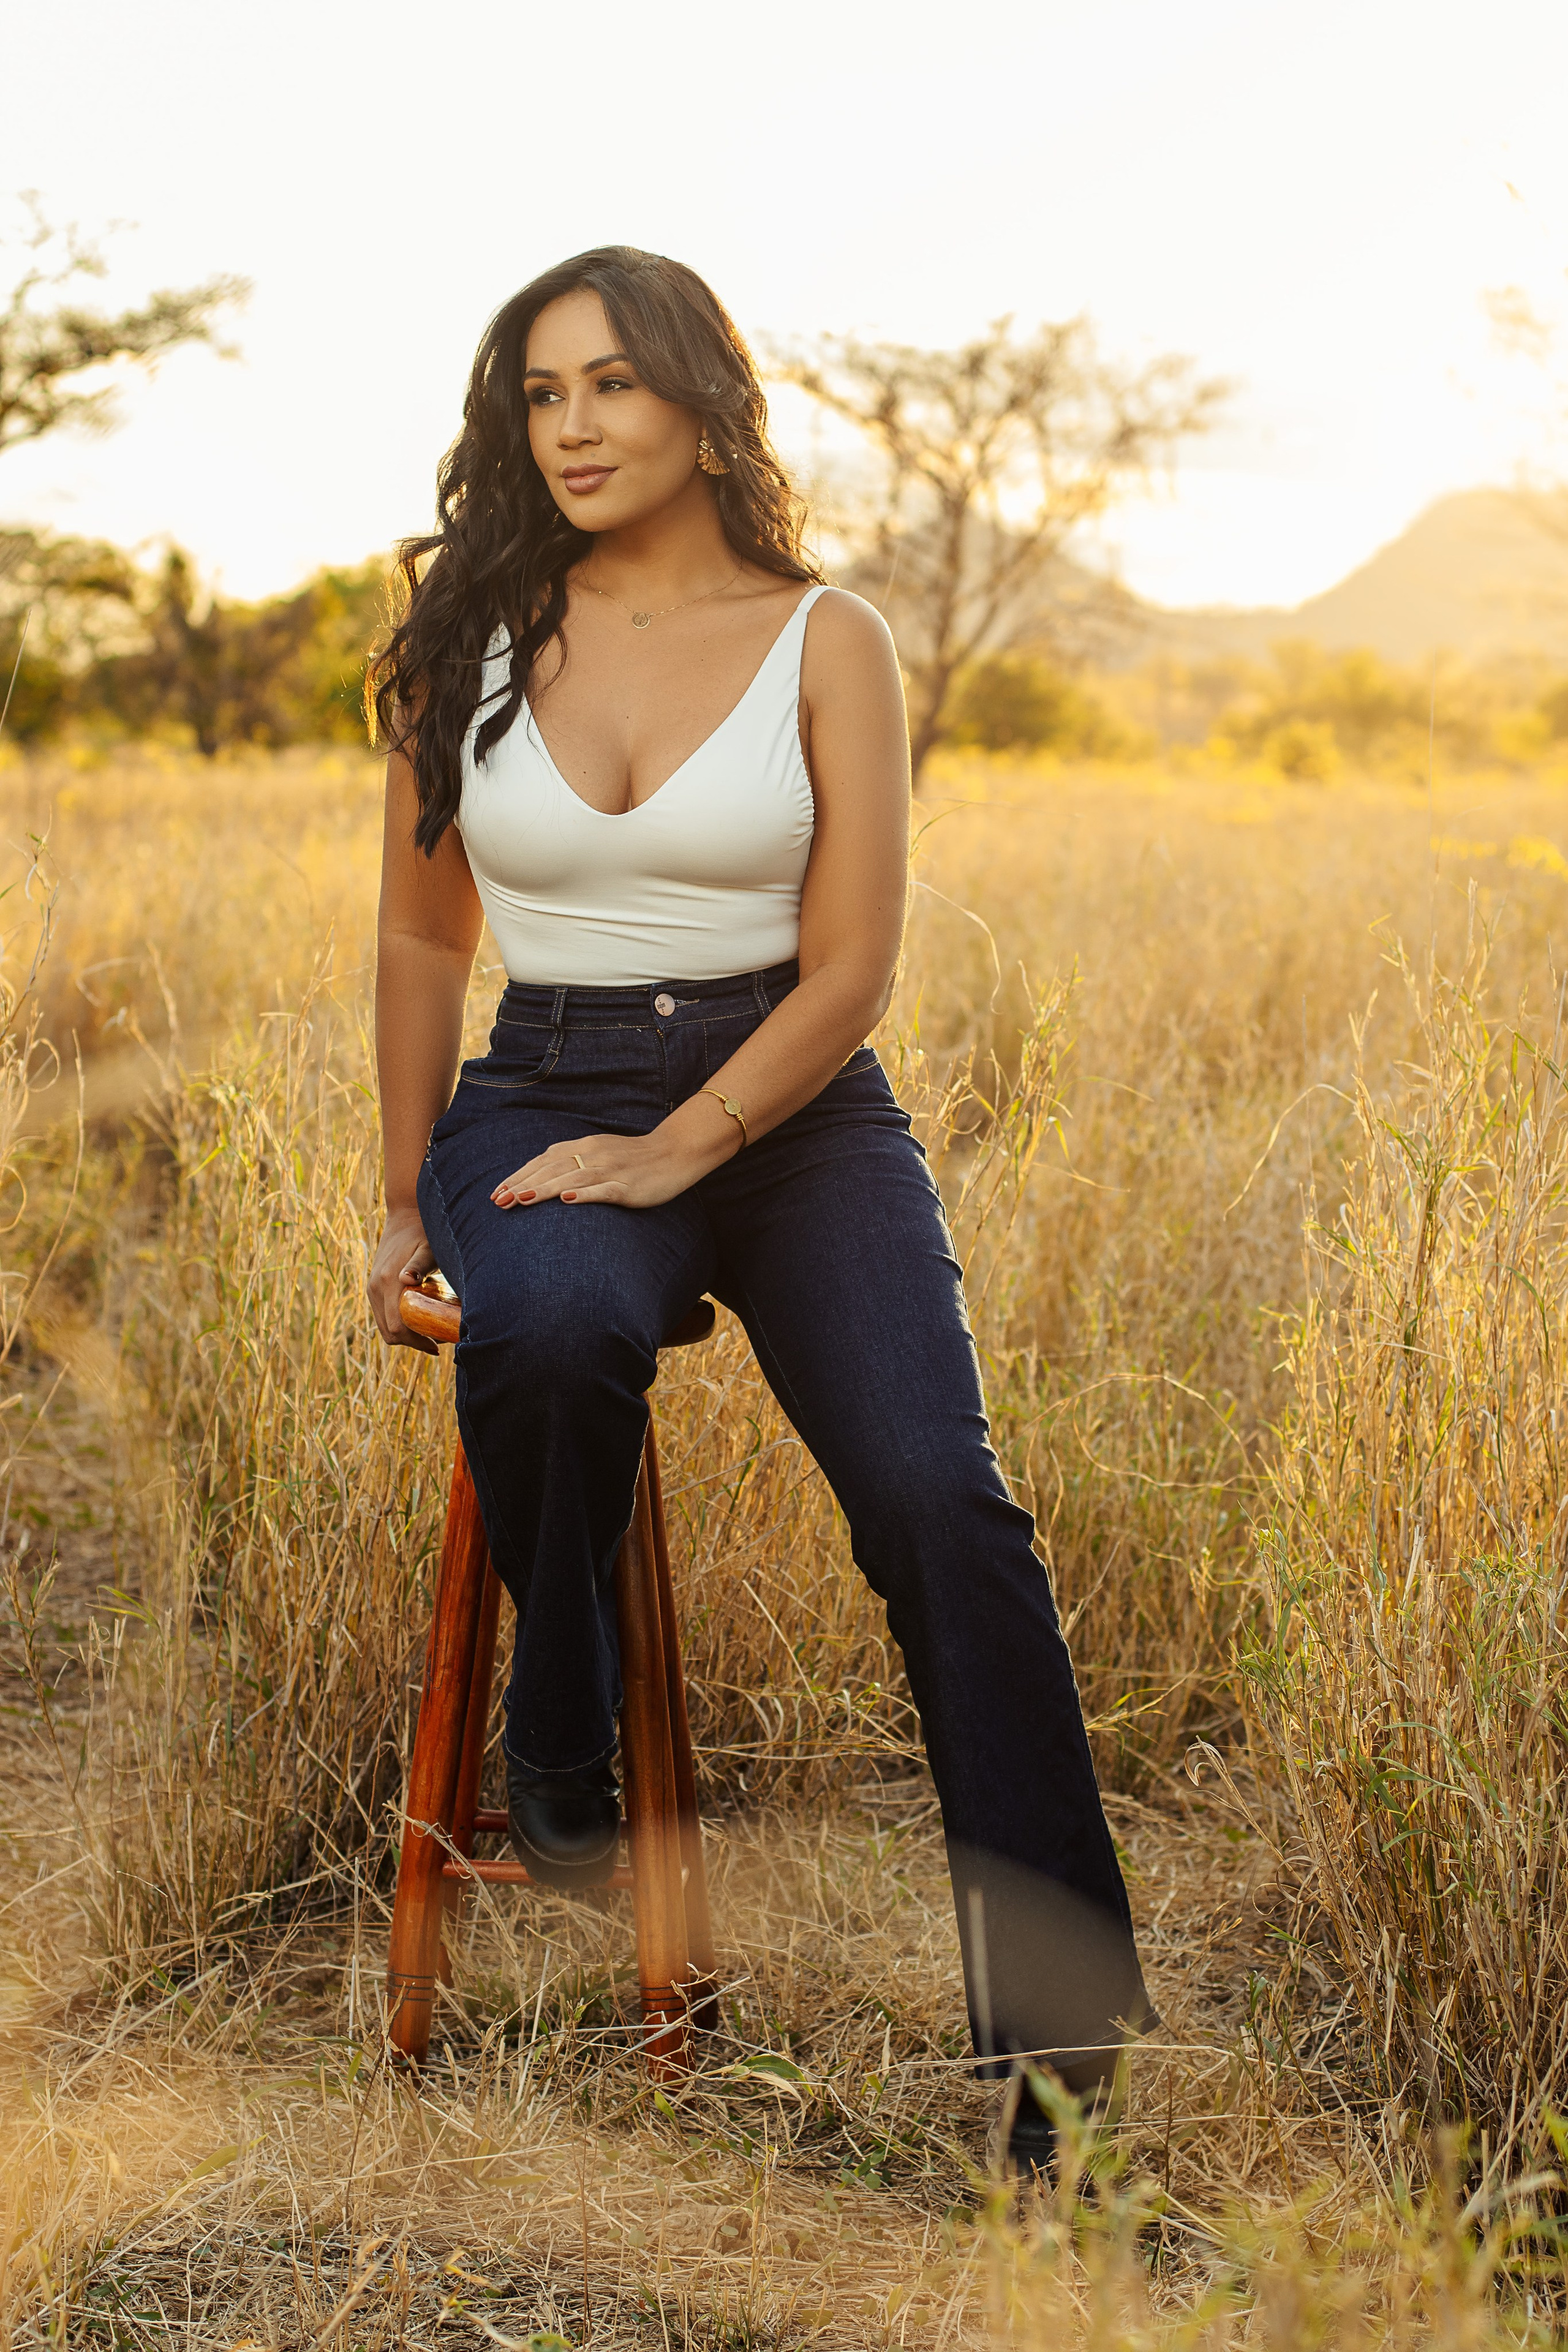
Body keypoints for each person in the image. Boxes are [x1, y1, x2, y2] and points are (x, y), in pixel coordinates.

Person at [366, 245, 1153, 2172]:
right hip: (542, 1083)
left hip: (793, 1105)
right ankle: (565, 1730)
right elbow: (417, 928)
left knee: (940, 1505)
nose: (573, 427)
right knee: (554, 1325)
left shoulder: (832, 638)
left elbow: (854, 967)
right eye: (540, 394)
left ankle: (1056, 2079)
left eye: (613, 386)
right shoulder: (472, 633)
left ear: (707, 402)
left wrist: (689, 1142)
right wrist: (399, 1200)